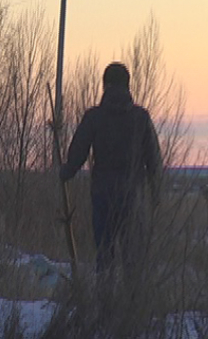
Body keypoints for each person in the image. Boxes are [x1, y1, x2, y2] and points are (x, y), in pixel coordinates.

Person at [59, 61, 163, 274]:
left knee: (104, 257)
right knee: (132, 260)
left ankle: (105, 302)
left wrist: (66, 172)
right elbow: (154, 162)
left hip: (102, 195)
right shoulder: (140, 118)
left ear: (105, 85)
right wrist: (155, 195)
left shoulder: (94, 117)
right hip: (133, 197)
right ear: (128, 86)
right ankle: (131, 304)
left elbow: (78, 152)